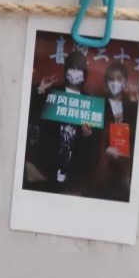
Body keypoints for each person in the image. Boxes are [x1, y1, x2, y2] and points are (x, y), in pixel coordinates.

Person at [24, 51, 100, 194]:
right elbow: (33, 115)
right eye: (72, 68)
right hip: (46, 167)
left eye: (79, 69)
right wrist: (41, 89)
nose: (75, 73)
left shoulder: (89, 101)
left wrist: (87, 135)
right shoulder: (53, 92)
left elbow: (93, 144)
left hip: (74, 170)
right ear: (66, 70)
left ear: (84, 74)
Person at [93, 62, 138, 201]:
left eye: (119, 79)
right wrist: (105, 149)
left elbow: (137, 136)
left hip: (125, 168)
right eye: (111, 79)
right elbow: (92, 135)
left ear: (125, 82)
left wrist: (135, 102)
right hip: (103, 166)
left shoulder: (132, 106)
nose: (114, 83)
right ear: (106, 82)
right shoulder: (98, 104)